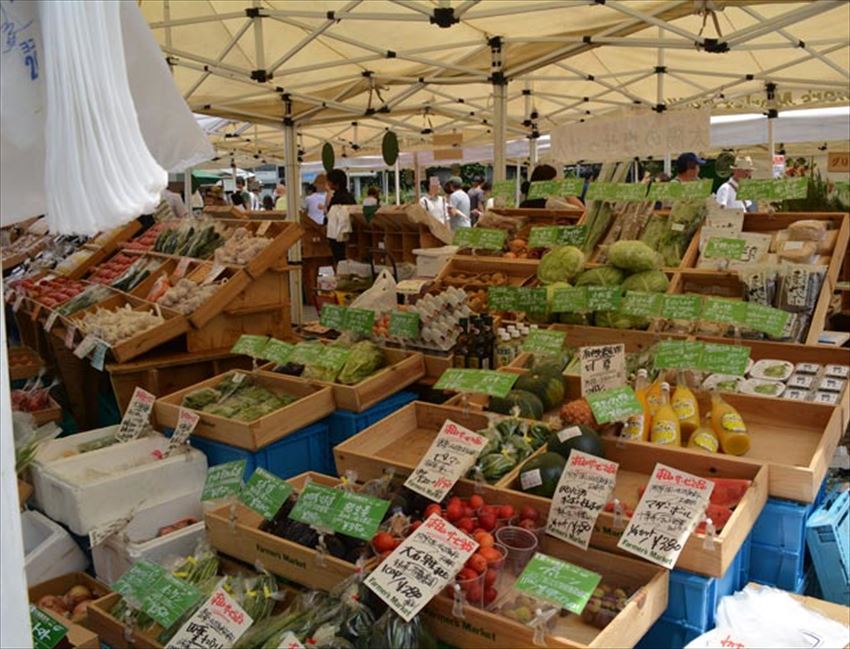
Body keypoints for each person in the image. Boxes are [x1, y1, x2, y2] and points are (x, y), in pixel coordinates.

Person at [519, 164, 583, 210]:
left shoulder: (524, 204)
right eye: (554, 181)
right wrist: (566, 192)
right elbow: (581, 211)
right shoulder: (551, 204)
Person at [326, 169, 357, 263]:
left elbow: (330, 213)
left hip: (338, 234)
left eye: (329, 181)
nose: (328, 183)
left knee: (340, 259)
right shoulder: (349, 197)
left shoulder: (338, 198)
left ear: (335, 182)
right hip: (349, 234)